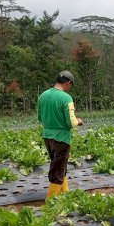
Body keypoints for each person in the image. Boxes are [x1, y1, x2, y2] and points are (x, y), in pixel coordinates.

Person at [37, 70, 84, 199]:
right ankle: (50, 202)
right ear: (68, 83)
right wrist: (79, 121)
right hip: (61, 138)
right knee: (58, 169)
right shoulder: (66, 98)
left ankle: (65, 194)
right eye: (71, 85)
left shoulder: (43, 96)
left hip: (47, 136)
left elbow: (40, 117)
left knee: (59, 165)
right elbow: (72, 122)